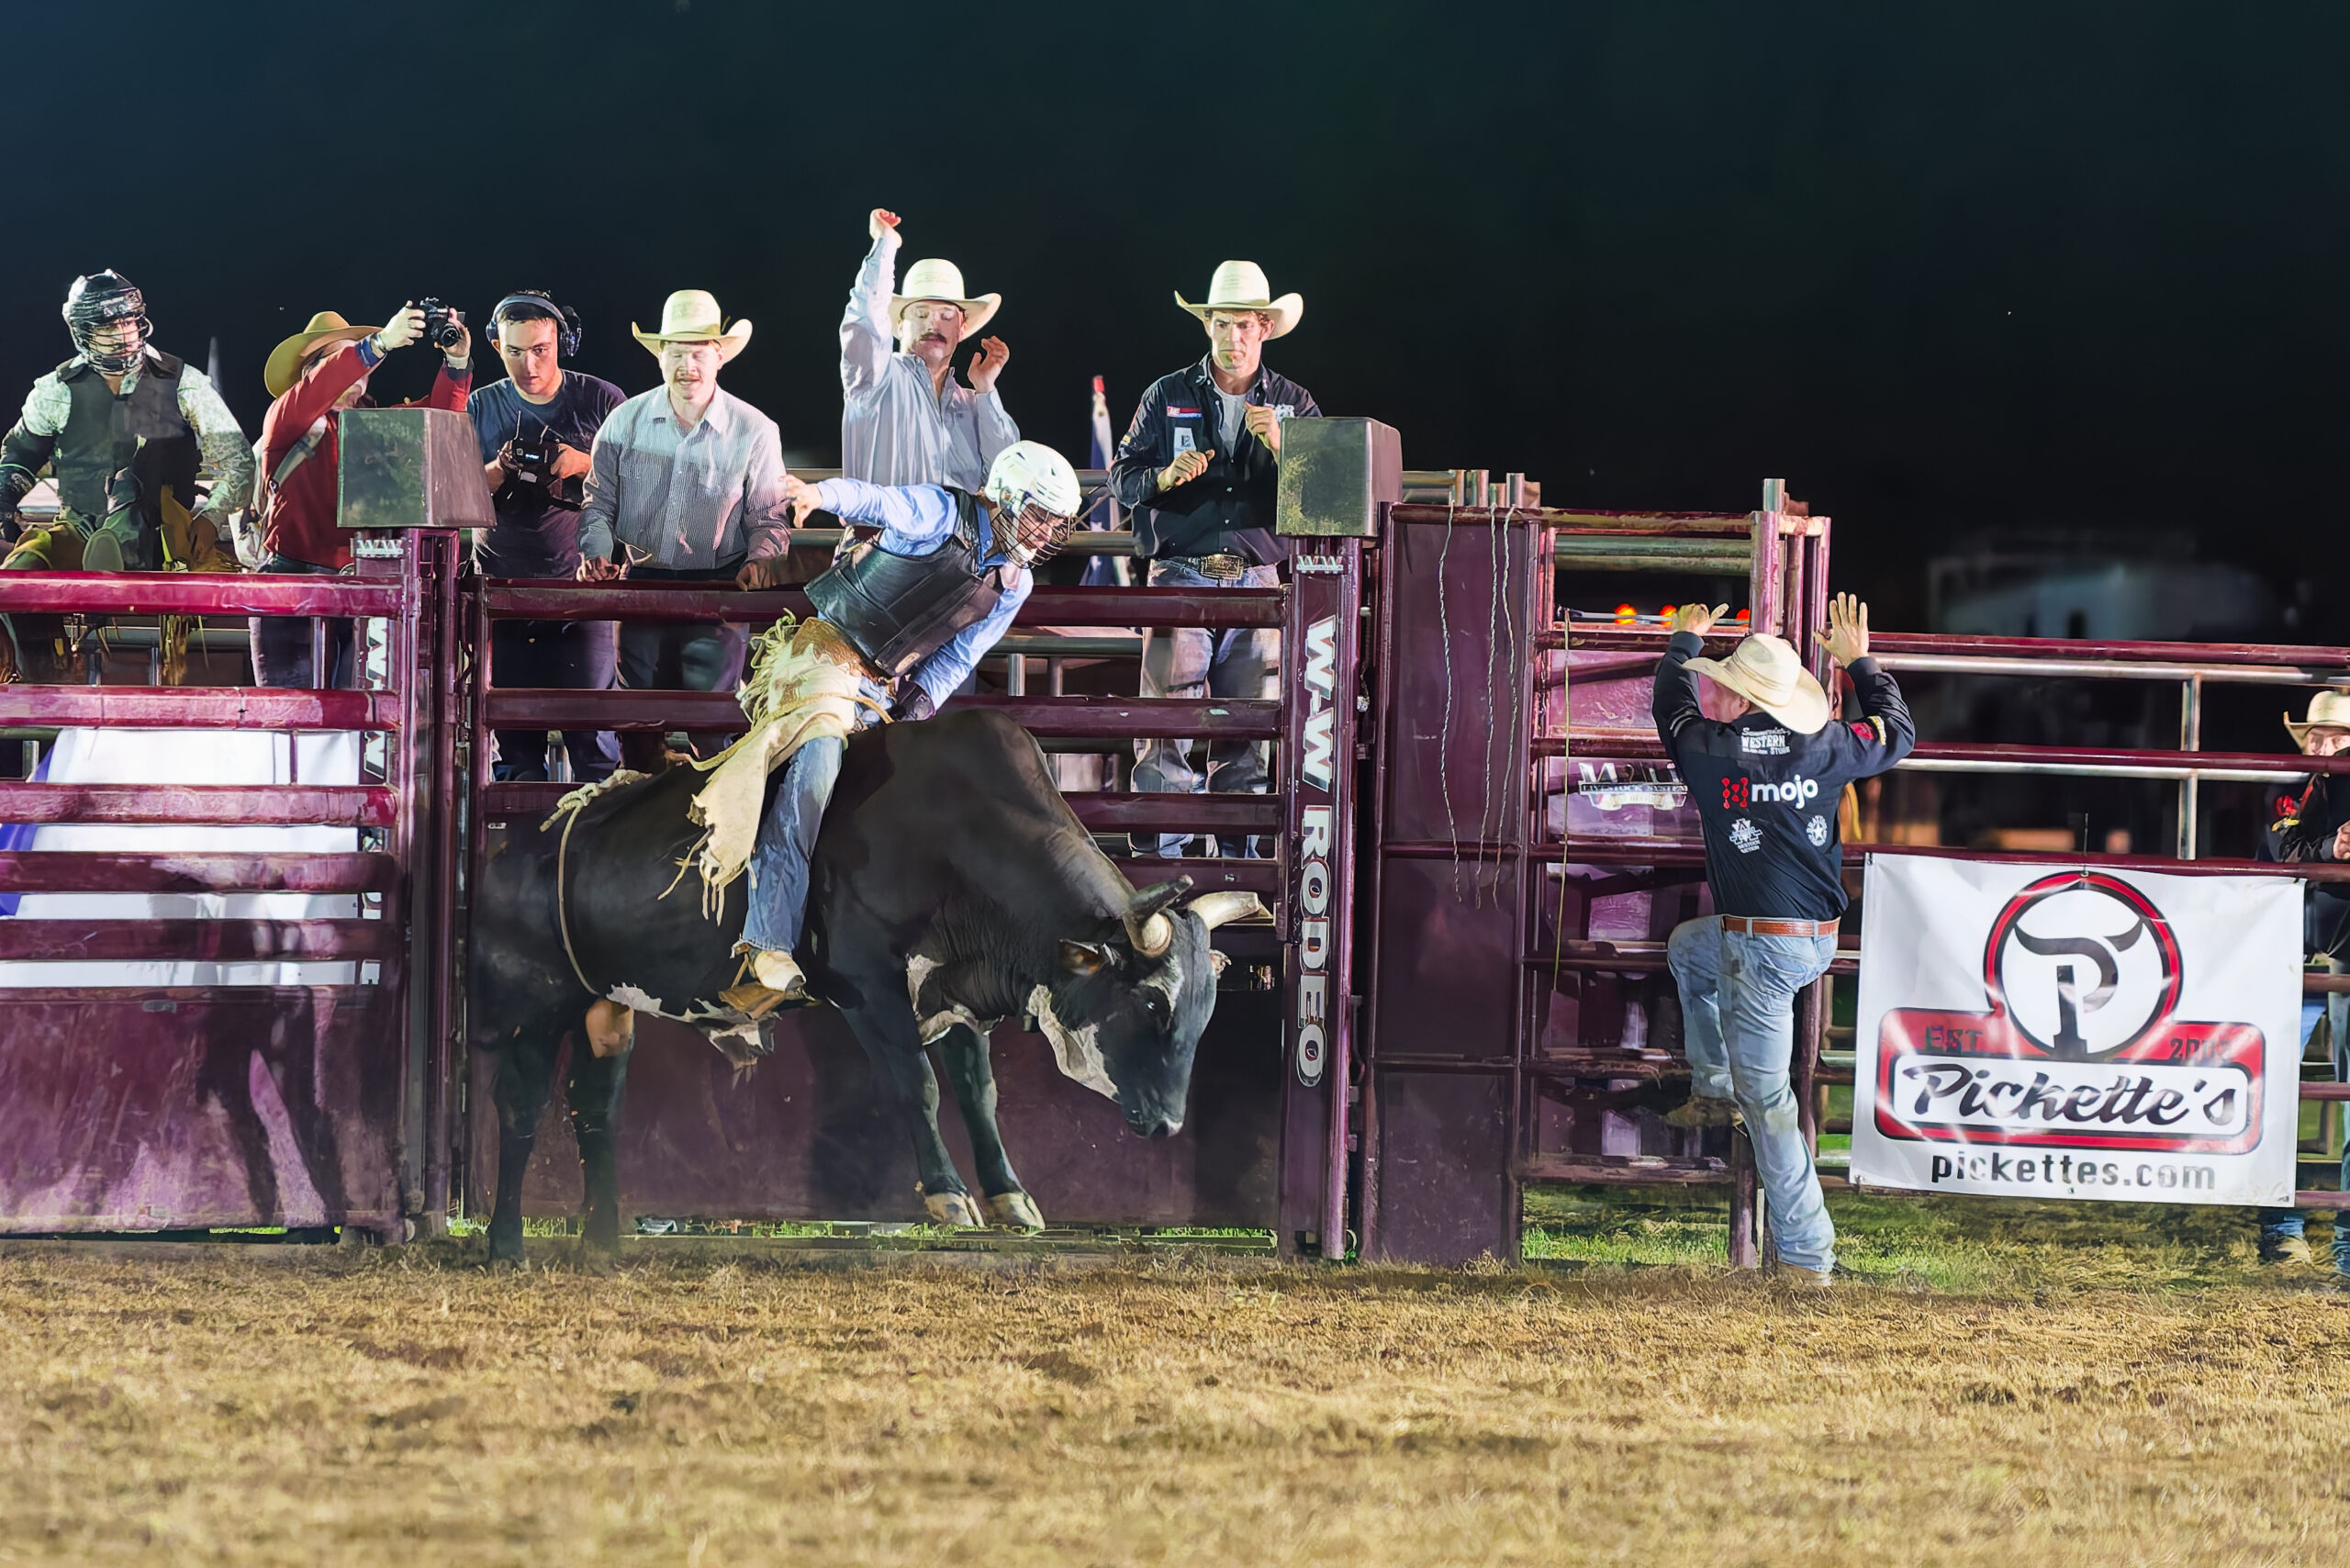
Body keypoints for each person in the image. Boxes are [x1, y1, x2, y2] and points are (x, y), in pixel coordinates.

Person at [717, 441, 1080, 1011]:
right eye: (1038, 517)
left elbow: (958, 658)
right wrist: (818, 493)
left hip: (886, 690)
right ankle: (767, 941)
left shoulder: (1015, 584)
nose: (1043, 535)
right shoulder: (940, 512)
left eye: (1054, 525)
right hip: (826, 653)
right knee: (816, 768)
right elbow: (876, 501)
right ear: (1006, 497)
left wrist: (913, 713)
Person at [1653, 593, 1915, 1284]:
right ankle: (1714, 1084)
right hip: (1811, 939)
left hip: (1760, 948)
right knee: (1689, 948)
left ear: (1740, 699)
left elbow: (1670, 710)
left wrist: (1683, 644)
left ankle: (1806, 1254)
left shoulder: (1710, 753)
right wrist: (1860, 662)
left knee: (1770, 1106)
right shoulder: (1827, 746)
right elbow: (1898, 731)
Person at [1109, 261, 1319, 857]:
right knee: (1165, 730)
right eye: (1223, 325)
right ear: (1209, 327)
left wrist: (1283, 448)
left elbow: (1324, 498)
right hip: (1182, 573)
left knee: (1249, 733)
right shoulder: (1167, 393)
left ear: (1265, 329)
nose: (1233, 338)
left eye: (1244, 327)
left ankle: (1241, 877)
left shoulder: (1293, 405)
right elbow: (1122, 479)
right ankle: (1160, 872)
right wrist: (1163, 475)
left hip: (1258, 579)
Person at [1, 271, 252, 680]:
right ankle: (47, 675)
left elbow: (240, 462)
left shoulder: (183, 382)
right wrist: (5, 503)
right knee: (19, 574)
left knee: (137, 496)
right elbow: (17, 458)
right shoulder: (55, 389)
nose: (123, 332)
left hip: (165, 539)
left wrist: (211, 518)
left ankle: (117, 554)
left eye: (129, 321)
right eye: (109, 325)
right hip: (80, 529)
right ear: (84, 331)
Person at [576, 290, 789, 771]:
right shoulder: (624, 422)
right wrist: (596, 550)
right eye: (675, 352)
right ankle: (641, 828)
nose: (686, 365)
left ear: (718, 355)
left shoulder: (754, 430)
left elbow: (768, 515)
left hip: (718, 586)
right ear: (660, 355)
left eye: (697, 353)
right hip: (640, 585)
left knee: (712, 724)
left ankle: (711, 832)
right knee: (637, 727)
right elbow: (598, 501)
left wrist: (761, 558)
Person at [249, 304, 473, 687]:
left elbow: (437, 423)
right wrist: (380, 342)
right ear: (312, 372)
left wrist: (457, 362)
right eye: (335, 360)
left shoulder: (376, 428)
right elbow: (320, 388)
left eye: (354, 359)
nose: (353, 370)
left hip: (364, 587)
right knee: (293, 724)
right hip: (293, 583)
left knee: (365, 726)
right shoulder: (286, 417)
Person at [469, 290, 625, 783]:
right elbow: (454, 493)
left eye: (540, 349)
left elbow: (638, 484)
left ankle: (598, 848)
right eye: (515, 351)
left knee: (594, 735)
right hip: (501, 589)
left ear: (562, 342)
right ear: (498, 348)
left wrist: (582, 463)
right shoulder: (480, 404)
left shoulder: (602, 399)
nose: (529, 365)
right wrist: (498, 468)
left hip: (584, 588)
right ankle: (520, 850)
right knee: (513, 742)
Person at [2250, 690, 2350, 1273]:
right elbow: (2281, 845)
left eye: (2338, 738)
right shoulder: (2292, 792)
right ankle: (2283, 1231)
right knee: (2275, 1092)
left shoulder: (2302, 791)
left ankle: (2333, 1239)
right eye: (2317, 737)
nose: (2325, 746)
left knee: (2324, 1091)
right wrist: (2331, 846)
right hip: (2290, 950)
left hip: (2328, 950)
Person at [840, 207, 1016, 490]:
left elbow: (1008, 475)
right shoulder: (875, 379)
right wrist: (885, 244)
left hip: (961, 535)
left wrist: (986, 391)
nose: (933, 323)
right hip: (887, 534)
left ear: (961, 330)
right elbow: (863, 324)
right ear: (898, 327)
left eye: (946, 315)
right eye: (920, 314)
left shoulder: (973, 405)